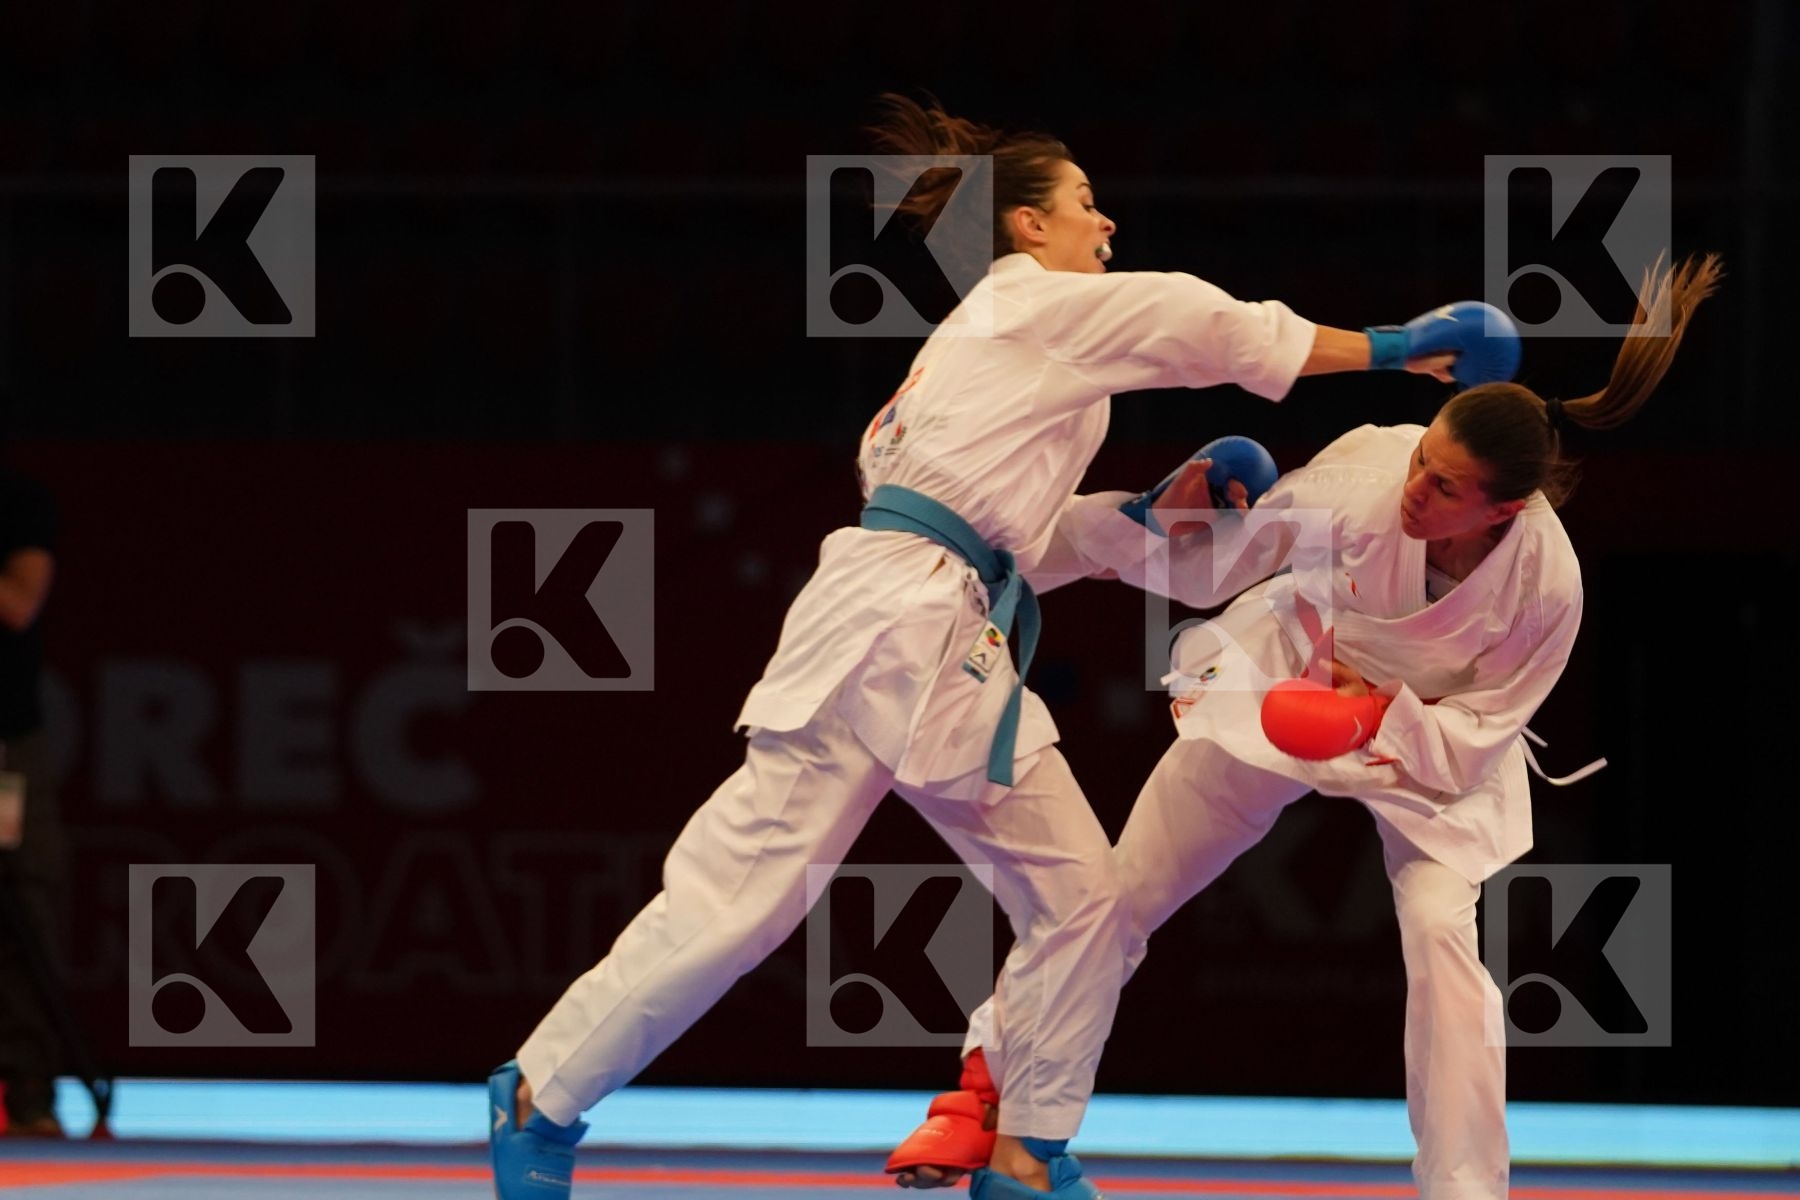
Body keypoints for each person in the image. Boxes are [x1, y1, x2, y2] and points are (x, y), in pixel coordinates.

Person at [487, 93, 1515, 1200]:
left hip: (912, 617)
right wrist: (1396, 347)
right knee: (875, 900)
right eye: (1082, 203)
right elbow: (1197, 322)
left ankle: (1005, 1151)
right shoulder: (1030, 306)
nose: (1104, 221)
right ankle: (561, 1096)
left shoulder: (987, 356)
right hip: (901, 623)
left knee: (970, 899)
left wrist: (1163, 509)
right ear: (1027, 228)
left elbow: (1020, 539)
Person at [892, 253, 1721, 1200]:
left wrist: (1377, 710)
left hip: (1427, 750)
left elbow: (1485, 733)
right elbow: (1214, 571)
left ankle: (1466, 1191)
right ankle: (983, 1088)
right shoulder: (1362, 478)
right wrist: (1194, 512)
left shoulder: (1547, 590)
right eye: (1423, 461)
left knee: (1444, 945)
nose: (1416, 489)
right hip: (1288, 680)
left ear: (1506, 510)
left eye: (1447, 488)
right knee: (1121, 892)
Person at [0, 412, 64, 1139]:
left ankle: (30, 1097)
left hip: (6, 749)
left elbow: (18, 604)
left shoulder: (18, 502)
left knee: (20, 916)